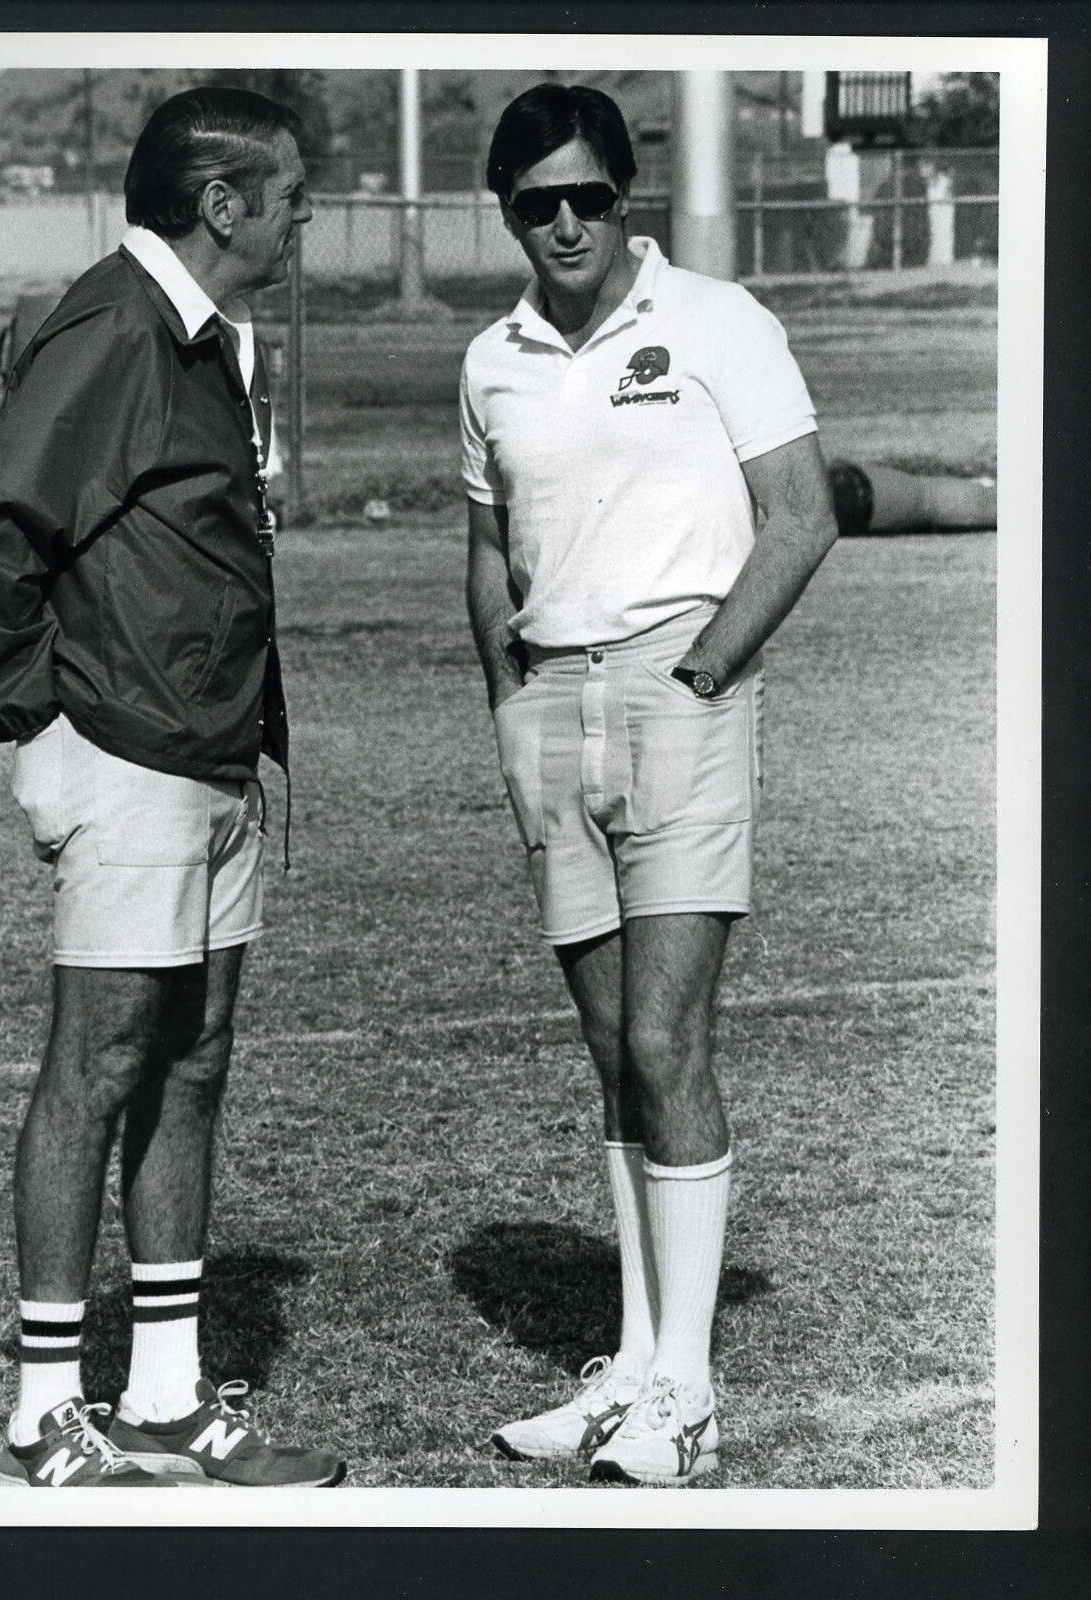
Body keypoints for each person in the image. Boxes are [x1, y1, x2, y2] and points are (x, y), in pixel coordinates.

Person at [0, 87, 345, 1489]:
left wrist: (256, 737)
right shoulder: (116, 327)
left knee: (193, 1061)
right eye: (290, 192)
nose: (306, 212)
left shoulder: (208, 337)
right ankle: (47, 1407)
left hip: (213, 759)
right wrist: (32, 741)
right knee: (98, 1067)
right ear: (222, 206)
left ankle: (165, 1396)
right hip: (123, 756)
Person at [461, 84, 837, 1486]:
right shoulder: (490, 360)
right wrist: (512, 710)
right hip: (553, 699)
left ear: (631, 201)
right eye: (535, 202)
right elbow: (487, 552)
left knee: (671, 1041)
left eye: (589, 198)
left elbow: (801, 519)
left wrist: (700, 675)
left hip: (682, 679)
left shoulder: (720, 324)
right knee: (616, 1049)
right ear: (507, 212)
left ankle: (688, 1387)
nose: (564, 223)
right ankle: (632, 1370)